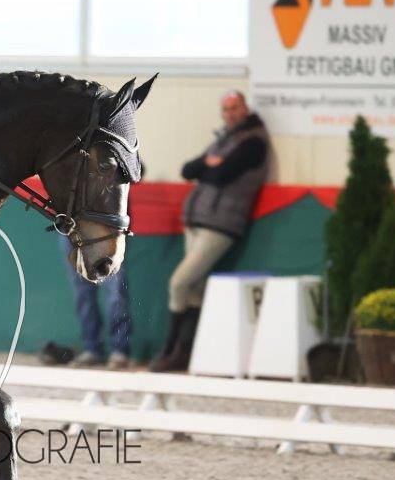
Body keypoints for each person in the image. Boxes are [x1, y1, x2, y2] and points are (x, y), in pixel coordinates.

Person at [149, 90, 271, 372]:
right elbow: (187, 170)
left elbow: (221, 175)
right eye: (226, 109)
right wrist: (207, 164)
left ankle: (169, 348)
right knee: (193, 289)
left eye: (235, 107)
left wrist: (208, 166)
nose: (230, 114)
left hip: (221, 224)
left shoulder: (253, 141)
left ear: (245, 108)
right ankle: (186, 352)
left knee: (179, 283)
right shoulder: (223, 140)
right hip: (197, 221)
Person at [46, 231, 133, 369]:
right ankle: (92, 349)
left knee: (115, 294)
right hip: (72, 230)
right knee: (84, 296)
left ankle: (119, 350)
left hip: (106, 227)